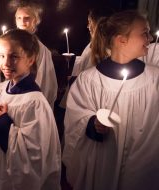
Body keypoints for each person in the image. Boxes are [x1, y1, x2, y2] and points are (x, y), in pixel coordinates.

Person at [63, 10, 159, 190]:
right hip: (102, 163)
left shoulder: (155, 79)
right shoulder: (89, 80)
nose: (150, 39)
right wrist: (92, 124)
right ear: (121, 40)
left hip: (142, 168)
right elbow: (75, 118)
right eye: (144, 33)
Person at [0, 29, 61, 190]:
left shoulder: (35, 103)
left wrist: (2, 123)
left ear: (31, 59)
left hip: (15, 178)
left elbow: (33, 156)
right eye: (2, 56)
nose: (5, 63)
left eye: (14, 57)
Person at [59, 7, 113, 108]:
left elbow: (91, 76)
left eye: (90, 22)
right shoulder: (92, 44)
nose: (88, 26)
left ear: (97, 23)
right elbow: (86, 66)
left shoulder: (105, 49)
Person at [14, 1, 57, 108]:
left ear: (35, 21)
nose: (22, 21)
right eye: (19, 18)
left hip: (29, 99)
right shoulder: (10, 43)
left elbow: (44, 81)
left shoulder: (41, 49)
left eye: (27, 18)